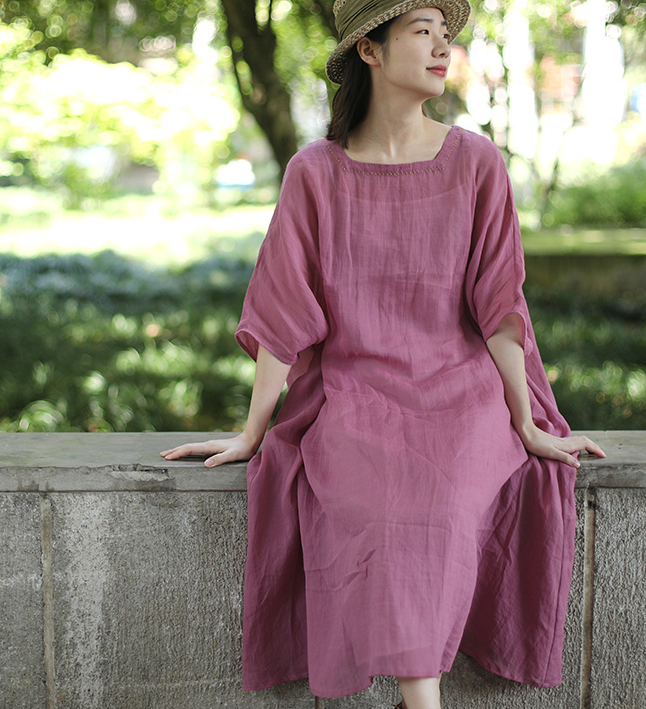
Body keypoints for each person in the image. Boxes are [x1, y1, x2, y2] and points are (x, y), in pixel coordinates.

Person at [161, 1, 606, 707]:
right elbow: (283, 312)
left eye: (445, 35)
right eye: (421, 32)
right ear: (368, 50)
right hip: (354, 393)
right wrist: (252, 433)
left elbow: (500, 309)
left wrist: (526, 422)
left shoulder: (476, 163)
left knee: (444, 499)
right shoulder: (315, 172)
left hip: (464, 393)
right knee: (382, 500)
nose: (442, 48)